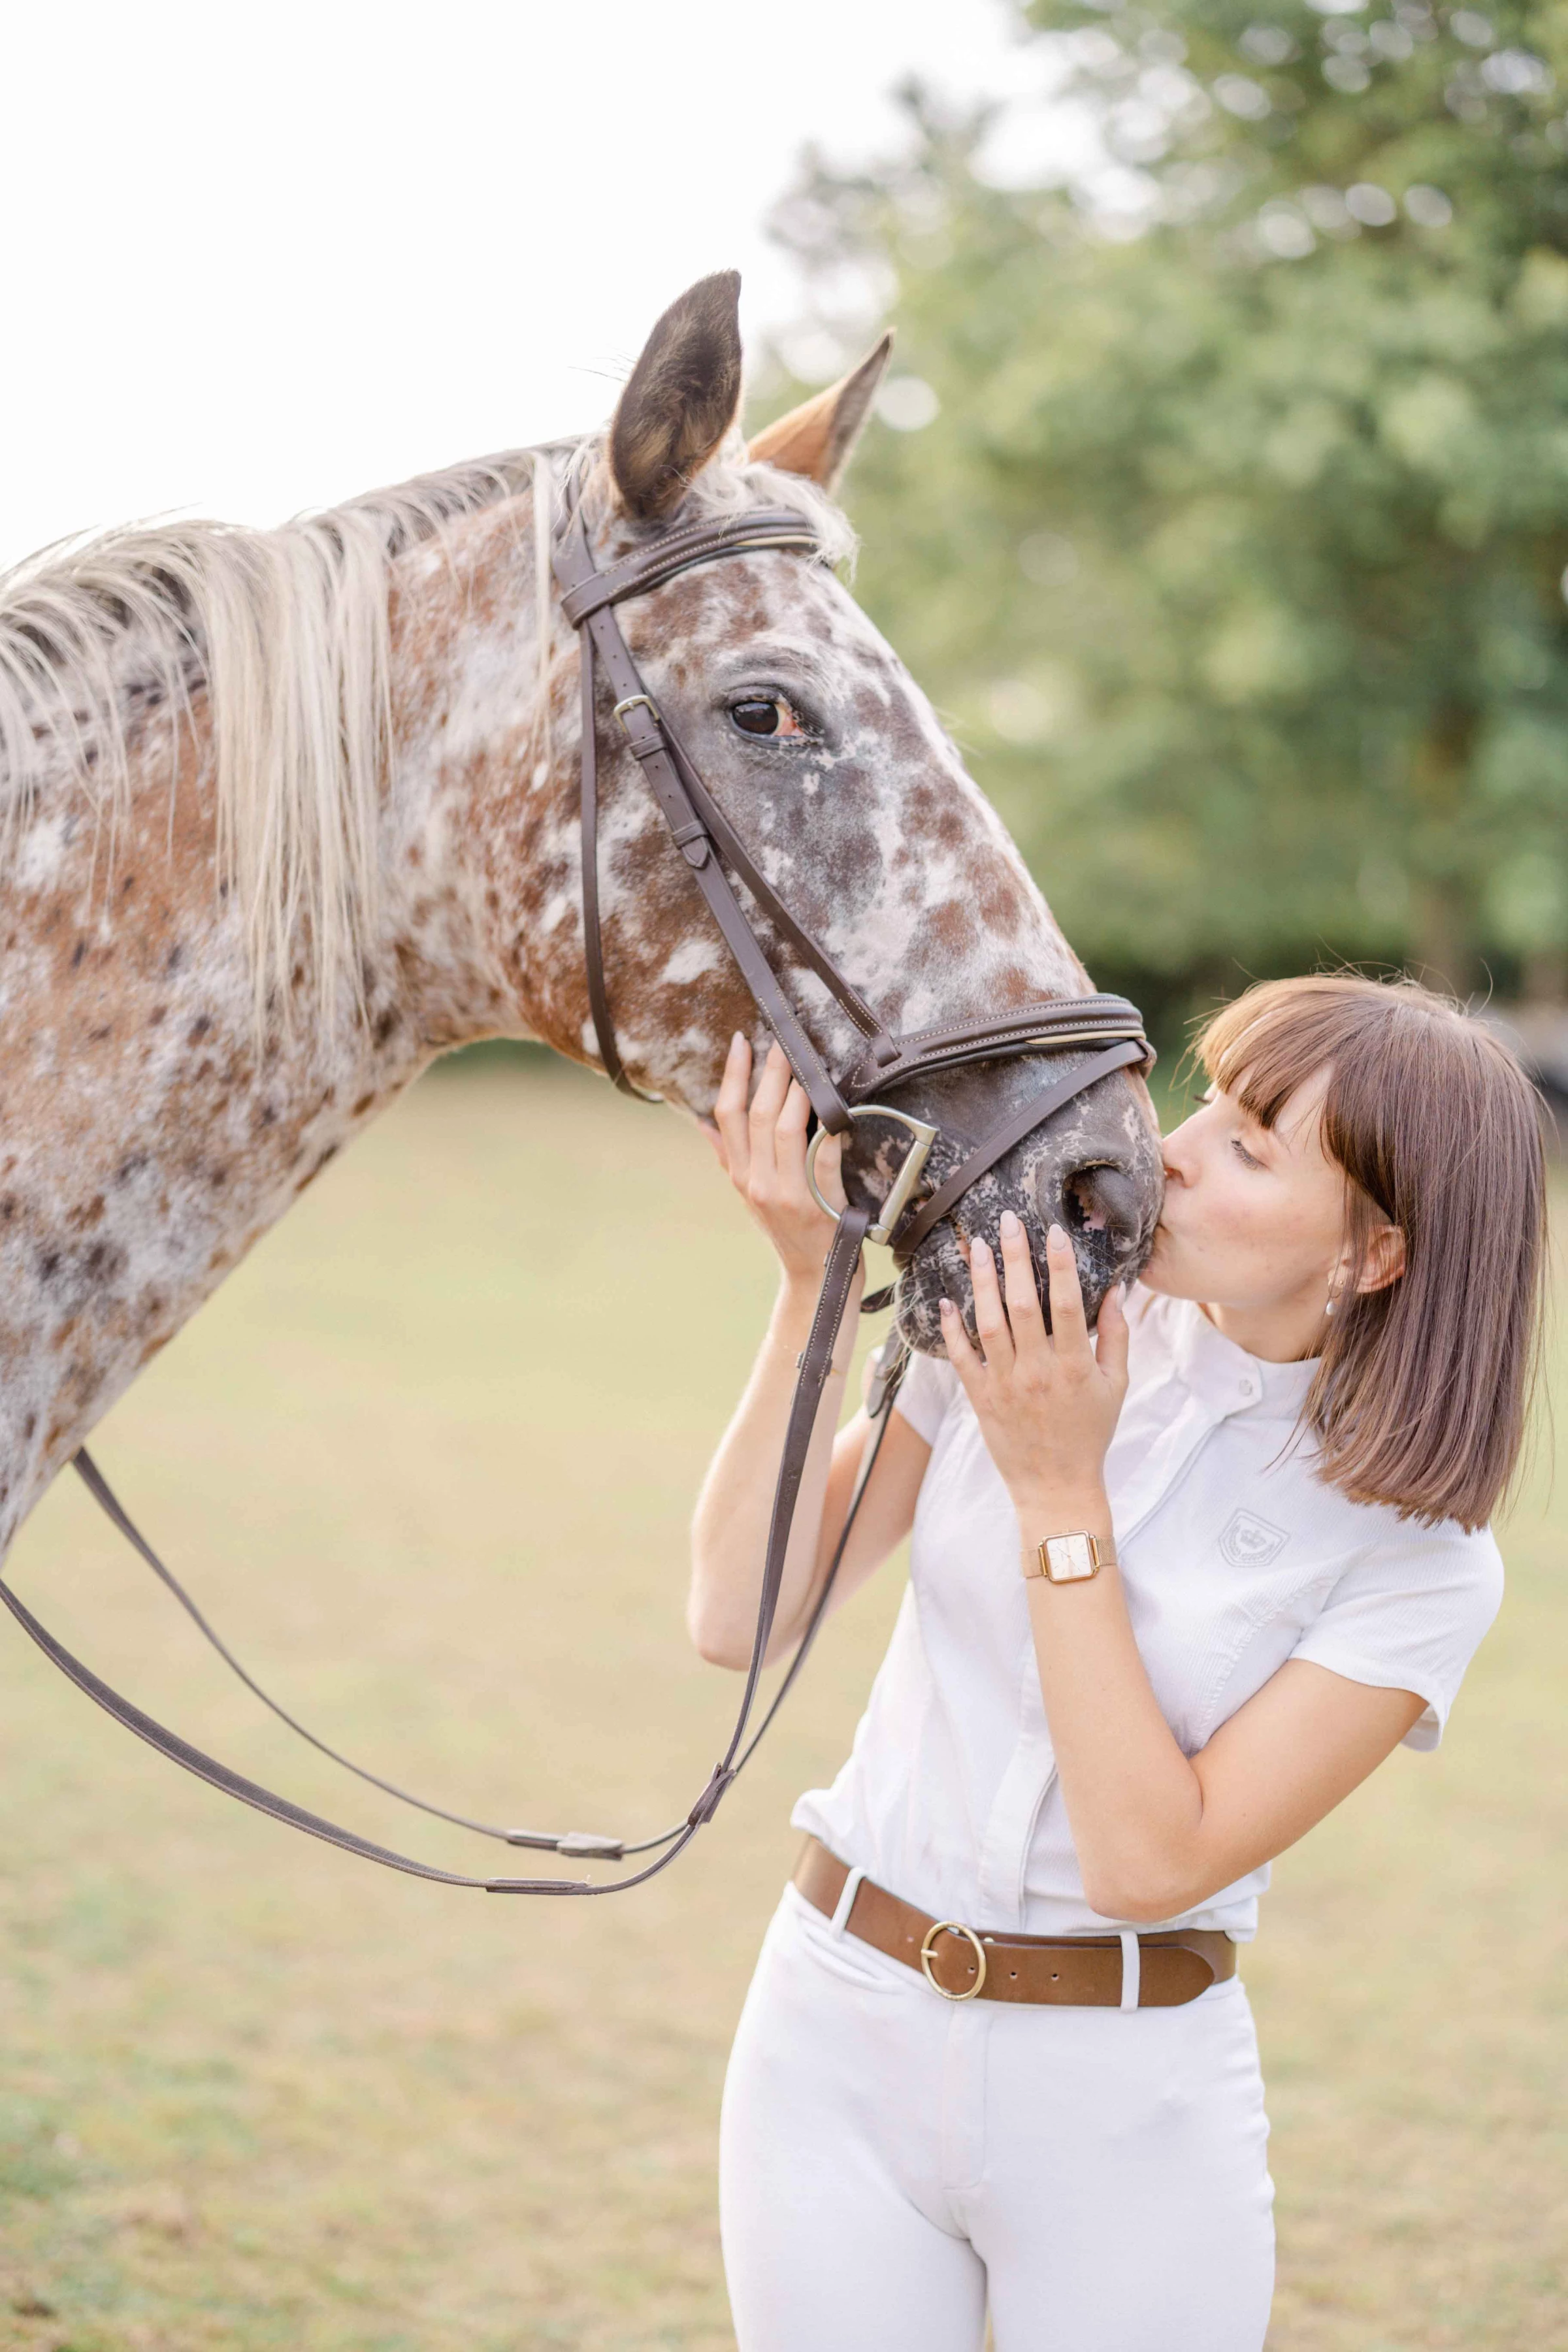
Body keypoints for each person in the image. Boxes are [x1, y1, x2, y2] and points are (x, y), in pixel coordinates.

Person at [689, 972, 1545, 2352]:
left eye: (1253, 1145)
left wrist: (1058, 1495)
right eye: (1206, 1101)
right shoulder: (1039, 1324)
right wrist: (807, 1287)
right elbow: (737, 1613)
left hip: (1121, 2114)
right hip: (832, 2031)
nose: (1174, 1148)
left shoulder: (1417, 1567)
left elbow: (1151, 1865)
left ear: (1371, 1256)